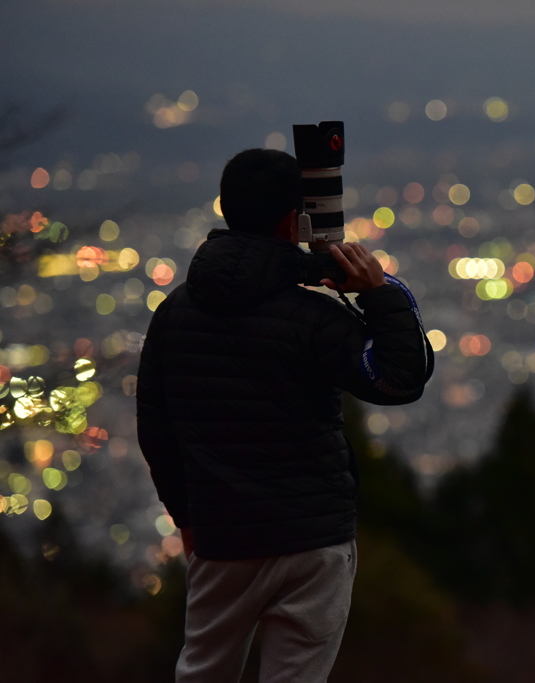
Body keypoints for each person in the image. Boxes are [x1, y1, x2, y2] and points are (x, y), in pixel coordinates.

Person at [136, 148, 433, 683]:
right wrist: (378, 294)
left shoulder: (174, 313)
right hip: (313, 538)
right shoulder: (312, 317)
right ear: (293, 221)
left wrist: (186, 516)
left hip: (221, 534)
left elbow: (155, 430)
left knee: (202, 672)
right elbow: (399, 379)